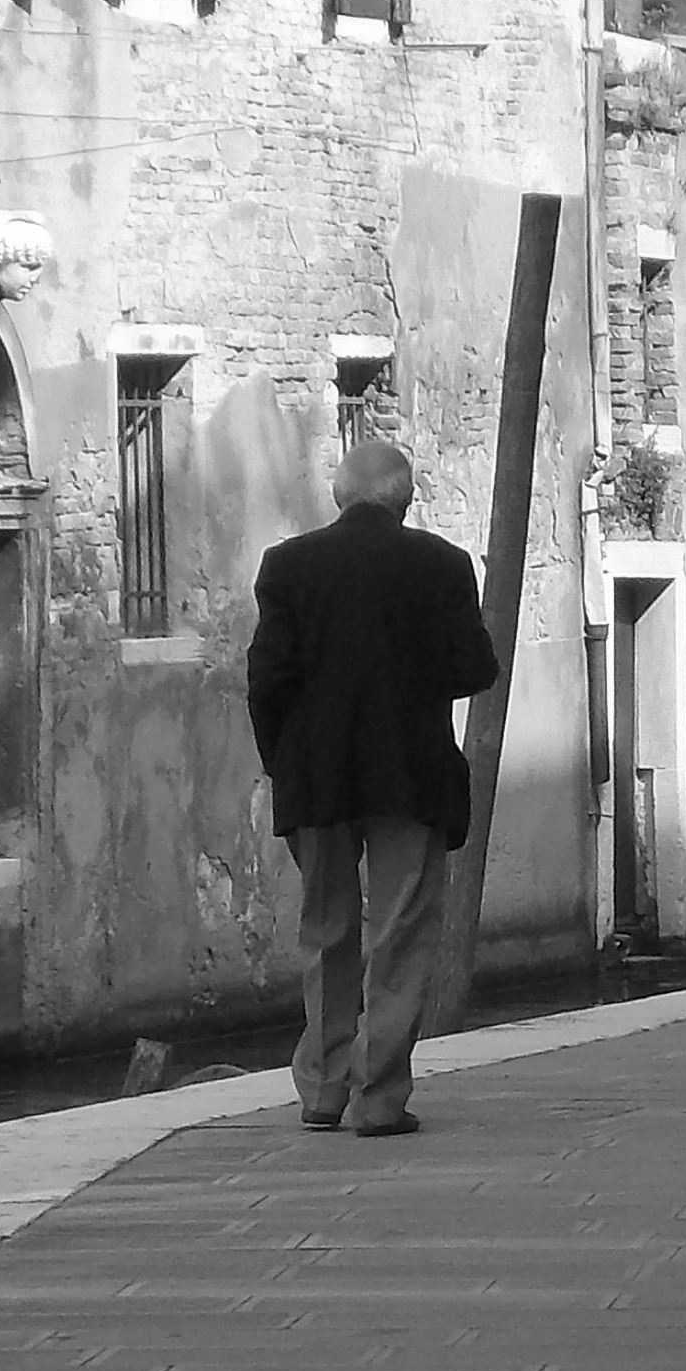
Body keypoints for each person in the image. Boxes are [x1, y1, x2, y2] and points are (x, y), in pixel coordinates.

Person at [243, 430, 498, 1137]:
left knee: (326, 929)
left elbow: (267, 680)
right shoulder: (441, 566)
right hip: (410, 774)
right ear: (408, 501)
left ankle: (323, 1090)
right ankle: (379, 1096)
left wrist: (281, 760)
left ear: (337, 495)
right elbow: (476, 669)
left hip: (316, 776)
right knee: (400, 931)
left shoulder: (288, 567)